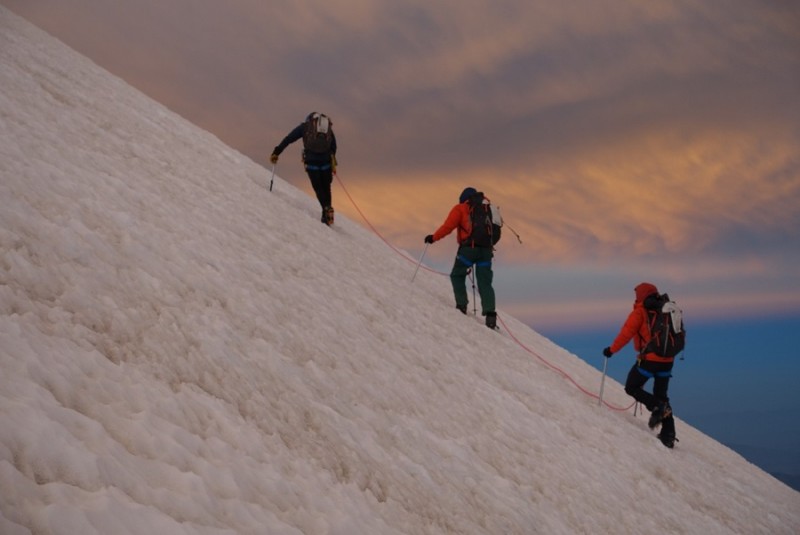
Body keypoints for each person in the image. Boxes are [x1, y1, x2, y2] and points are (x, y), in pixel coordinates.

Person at [602, 282, 678, 448]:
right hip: (668, 360)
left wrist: (611, 350)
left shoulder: (640, 312)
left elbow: (626, 334)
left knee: (632, 386)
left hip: (650, 360)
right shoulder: (666, 310)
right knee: (661, 395)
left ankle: (657, 407)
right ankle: (669, 435)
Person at [424, 187, 497, 329]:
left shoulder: (460, 208)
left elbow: (448, 227)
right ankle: (490, 315)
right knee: (485, 282)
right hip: (486, 252)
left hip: (468, 250)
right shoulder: (488, 208)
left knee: (457, 274)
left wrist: (433, 238)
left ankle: (462, 306)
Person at [270, 112, 338, 225]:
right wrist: (331, 159)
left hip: (311, 162)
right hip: (326, 163)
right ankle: (327, 212)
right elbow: (334, 146)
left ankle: (326, 209)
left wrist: (277, 151)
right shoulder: (327, 128)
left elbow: (289, 139)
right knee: (326, 187)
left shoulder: (304, 127)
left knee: (318, 188)